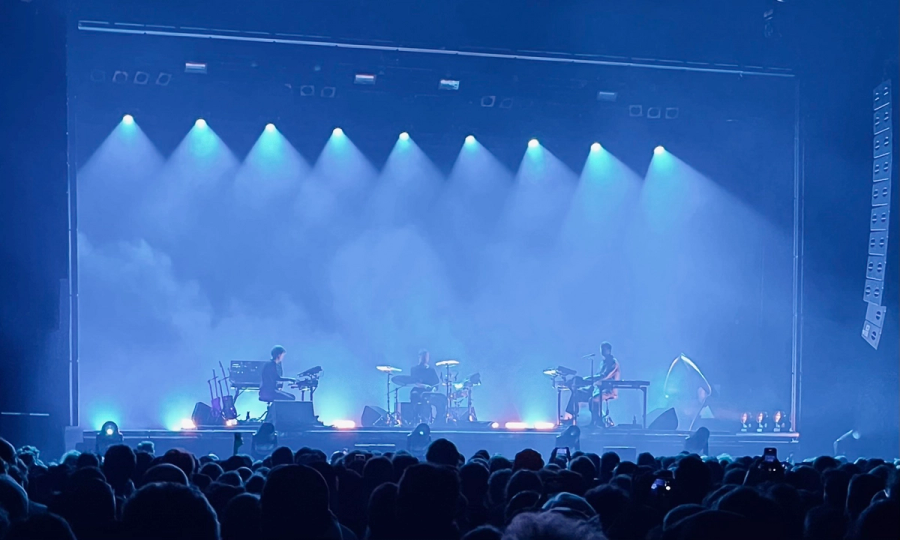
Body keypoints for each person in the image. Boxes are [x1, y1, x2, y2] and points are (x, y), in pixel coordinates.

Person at [564, 342, 620, 427]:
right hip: (597, 388)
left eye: (604, 349)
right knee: (577, 394)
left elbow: (605, 376)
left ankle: (597, 422)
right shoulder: (603, 362)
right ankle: (572, 417)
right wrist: (587, 380)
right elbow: (598, 376)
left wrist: (588, 379)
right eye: (601, 349)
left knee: (593, 400)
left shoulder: (613, 363)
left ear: (609, 350)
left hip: (607, 390)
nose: (602, 351)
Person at [410, 350, 443, 424]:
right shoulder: (414, 369)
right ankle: (415, 417)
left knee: (441, 400)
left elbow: (436, 383)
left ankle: (437, 421)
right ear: (419, 357)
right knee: (414, 394)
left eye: (427, 357)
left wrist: (434, 388)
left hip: (429, 392)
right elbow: (414, 382)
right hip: (418, 391)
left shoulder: (431, 370)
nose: (425, 358)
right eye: (424, 356)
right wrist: (424, 386)